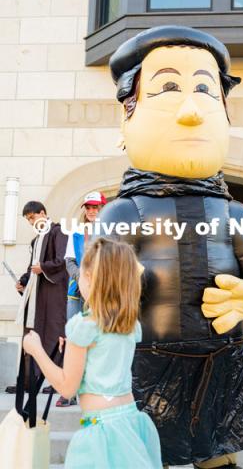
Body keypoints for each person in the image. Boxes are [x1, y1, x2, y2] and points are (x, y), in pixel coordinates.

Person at [97, 25, 243, 468]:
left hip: (220, 361)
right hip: (145, 361)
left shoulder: (234, 212)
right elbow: (96, 291)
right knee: (143, 452)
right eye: (168, 88)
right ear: (128, 112)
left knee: (217, 456)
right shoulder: (124, 212)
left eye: (205, 88)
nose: (192, 110)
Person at [22, 237, 162, 469]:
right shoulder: (130, 324)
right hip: (131, 421)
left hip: (101, 432)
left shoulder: (84, 326)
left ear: (88, 278)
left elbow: (67, 388)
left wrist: (36, 350)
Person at [6, 201, 68, 394]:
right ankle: (27, 381)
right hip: (37, 294)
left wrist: (43, 268)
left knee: (55, 334)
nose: (32, 222)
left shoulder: (59, 232)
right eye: (28, 220)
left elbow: (62, 260)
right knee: (31, 335)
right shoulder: (36, 240)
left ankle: (58, 382)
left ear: (42, 213)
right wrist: (23, 282)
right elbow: (31, 267)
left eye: (33, 217)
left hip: (54, 293)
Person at [58, 191, 107, 407]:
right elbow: (69, 260)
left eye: (95, 207)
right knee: (73, 337)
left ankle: (94, 387)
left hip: (100, 290)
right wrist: (80, 277)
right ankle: (70, 390)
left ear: (102, 208)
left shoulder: (110, 231)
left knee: (98, 339)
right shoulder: (76, 231)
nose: (91, 211)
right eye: (88, 207)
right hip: (76, 290)